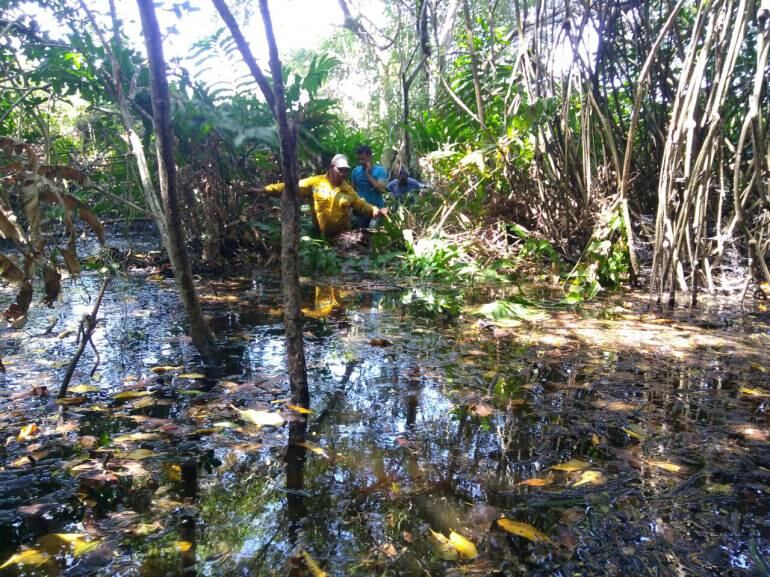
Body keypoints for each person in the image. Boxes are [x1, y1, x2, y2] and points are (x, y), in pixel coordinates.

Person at [263, 154, 388, 238]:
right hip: (319, 236)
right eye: (340, 170)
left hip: (342, 237)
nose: (343, 174)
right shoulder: (316, 182)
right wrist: (265, 190)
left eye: (345, 170)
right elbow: (291, 187)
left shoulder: (348, 191)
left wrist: (375, 210)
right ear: (331, 167)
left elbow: (361, 204)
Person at [350, 144, 388, 228]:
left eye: (363, 159)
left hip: (377, 210)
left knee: (373, 234)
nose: (360, 162)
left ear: (370, 157)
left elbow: (382, 189)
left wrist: (368, 175)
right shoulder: (355, 171)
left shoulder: (380, 171)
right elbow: (352, 191)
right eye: (359, 159)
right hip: (361, 210)